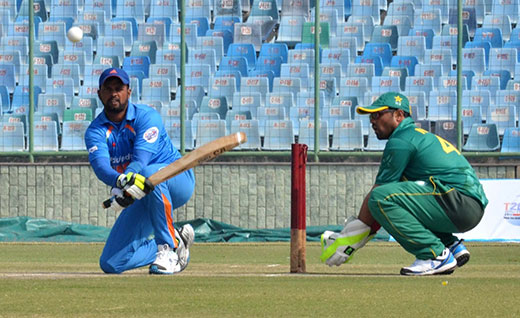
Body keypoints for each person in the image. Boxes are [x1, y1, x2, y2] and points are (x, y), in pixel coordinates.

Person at [320, 92, 488, 276]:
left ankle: (435, 255)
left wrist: (349, 239)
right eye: (370, 116)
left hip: (459, 202)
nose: (372, 121)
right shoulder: (414, 135)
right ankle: (450, 245)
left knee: (381, 198)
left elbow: (378, 197)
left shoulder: (401, 140)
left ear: (398, 115)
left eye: (377, 115)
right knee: (402, 197)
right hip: (467, 204)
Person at [84, 68, 195, 275]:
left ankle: (168, 250)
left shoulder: (147, 117)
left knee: (150, 173)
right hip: (142, 191)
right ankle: (176, 239)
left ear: (129, 91)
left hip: (176, 180)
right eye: (108, 89)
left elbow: (140, 160)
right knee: (111, 263)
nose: (114, 93)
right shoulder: (95, 130)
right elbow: (101, 167)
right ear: (99, 94)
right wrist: (120, 183)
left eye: (119, 88)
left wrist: (126, 181)